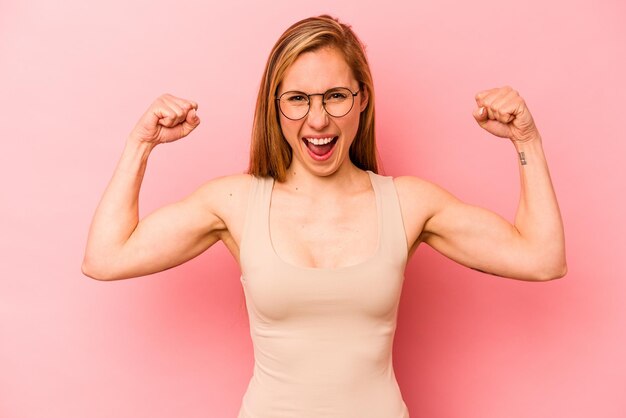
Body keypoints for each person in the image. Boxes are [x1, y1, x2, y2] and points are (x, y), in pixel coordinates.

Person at [82, 14, 567, 418]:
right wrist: (139, 146)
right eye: (297, 99)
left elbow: (541, 258)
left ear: (362, 101)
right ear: (275, 109)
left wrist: (527, 141)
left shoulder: (408, 203)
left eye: (336, 96)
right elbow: (106, 257)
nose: (318, 120)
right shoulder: (235, 202)